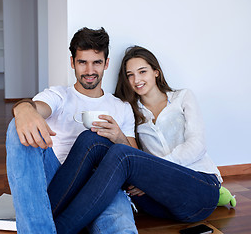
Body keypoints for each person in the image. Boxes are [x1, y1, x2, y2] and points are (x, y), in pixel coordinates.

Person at [47, 46, 223, 234]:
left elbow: (197, 146)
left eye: (142, 72)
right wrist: (147, 176)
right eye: (130, 75)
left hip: (200, 190)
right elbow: (136, 157)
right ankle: (44, 215)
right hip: (158, 201)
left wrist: (154, 172)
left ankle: (57, 229)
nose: (136, 80)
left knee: (122, 155)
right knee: (92, 138)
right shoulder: (130, 110)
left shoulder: (183, 97)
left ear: (156, 72)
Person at [6, 27, 139, 234]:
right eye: (82, 62)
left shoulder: (121, 107)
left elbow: (135, 160)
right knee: (17, 128)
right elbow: (37, 107)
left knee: (121, 229)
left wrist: (119, 137)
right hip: (57, 178)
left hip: (102, 183)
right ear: (72, 63)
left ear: (106, 64)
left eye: (96, 62)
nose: (89, 70)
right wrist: (23, 109)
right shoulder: (59, 95)